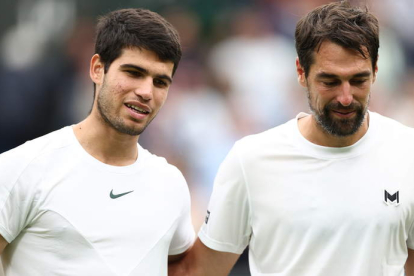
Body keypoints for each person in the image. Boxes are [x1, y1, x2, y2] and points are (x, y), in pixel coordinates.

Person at [169, 1, 414, 275]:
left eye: (359, 80)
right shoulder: (251, 159)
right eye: (329, 81)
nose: (346, 97)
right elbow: (199, 271)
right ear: (301, 72)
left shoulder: (408, 151)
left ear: (376, 70)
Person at [0, 8, 195, 275]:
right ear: (97, 69)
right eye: (134, 72)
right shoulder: (22, 168)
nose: (146, 92)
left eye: (160, 81)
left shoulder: (171, 183)